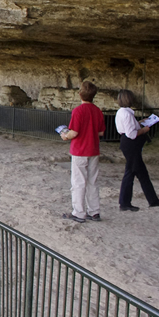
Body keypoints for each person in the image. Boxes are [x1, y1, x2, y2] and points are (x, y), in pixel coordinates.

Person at [115, 89, 159, 211]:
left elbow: (128, 128)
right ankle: (125, 203)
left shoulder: (121, 112)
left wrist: (139, 123)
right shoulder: (127, 114)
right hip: (131, 145)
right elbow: (131, 134)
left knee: (142, 173)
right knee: (130, 173)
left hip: (127, 143)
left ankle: (153, 200)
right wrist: (144, 129)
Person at [60, 81, 104, 223]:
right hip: (93, 149)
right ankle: (94, 211)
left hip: (79, 150)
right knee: (92, 181)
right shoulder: (97, 111)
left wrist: (65, 136)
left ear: (80, 94)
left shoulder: (78, 111)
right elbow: (101, 132)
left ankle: (79, 213)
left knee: (78, 182)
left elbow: (74, 132)